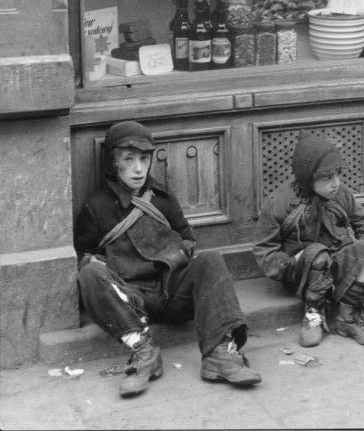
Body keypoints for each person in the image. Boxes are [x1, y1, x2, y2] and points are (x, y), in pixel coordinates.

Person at [75, 120, 261, 397]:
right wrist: (91, 263)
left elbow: (187, 238)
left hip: (172, 291)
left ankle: (219, 354)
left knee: (212, 260)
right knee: (89, 275)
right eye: (129, 159)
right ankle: (144, 353)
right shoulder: (96, 207)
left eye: (144, 159)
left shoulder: (161, 199)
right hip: (131, 300)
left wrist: (175, 251)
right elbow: (85, 254)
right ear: (113, 163)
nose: (138, 168)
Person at [253, 133, 364, 348]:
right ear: (308, 177)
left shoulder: (342, 195)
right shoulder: (281, 202)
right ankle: (313, 315)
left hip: (336, 266)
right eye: (327, 178)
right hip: (302, 271)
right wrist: (288, 265)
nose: (336, 183)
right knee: (317, 253)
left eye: (338, 175)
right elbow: (264, 248)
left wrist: (360, 262)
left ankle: (348, 318)